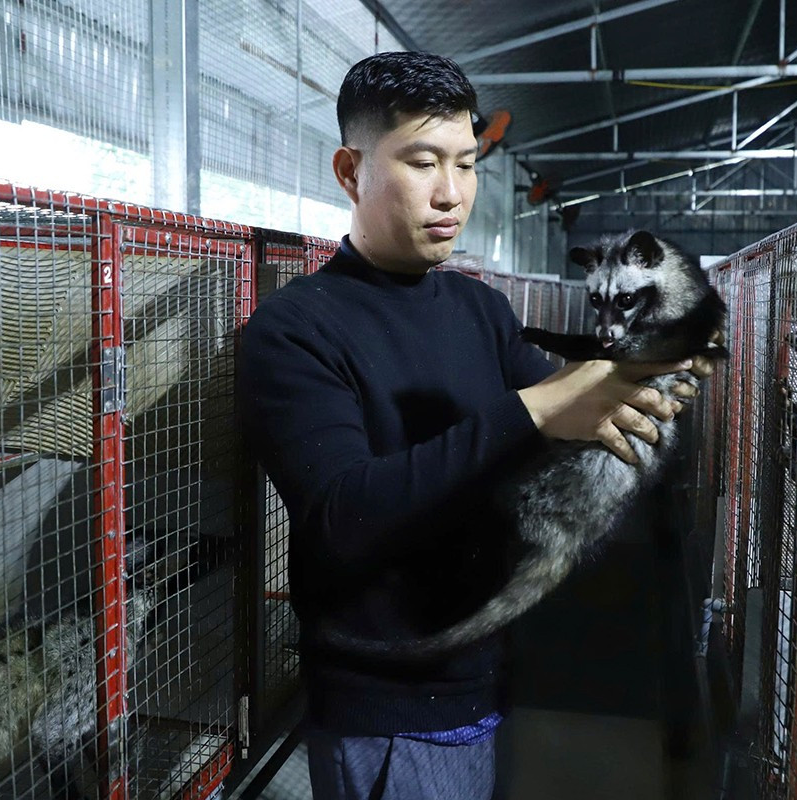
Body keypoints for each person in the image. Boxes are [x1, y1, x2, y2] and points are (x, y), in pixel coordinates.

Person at [238, 51, 713, 800]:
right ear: (350, 171)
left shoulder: (478, 308)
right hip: (393, 709)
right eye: (423, 162)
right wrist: (538, 407)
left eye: (466, 164)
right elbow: (340, 517)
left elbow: (564, 419)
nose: (451, 193)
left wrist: (636, 386)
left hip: (496, 673)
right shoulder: (293, 330)